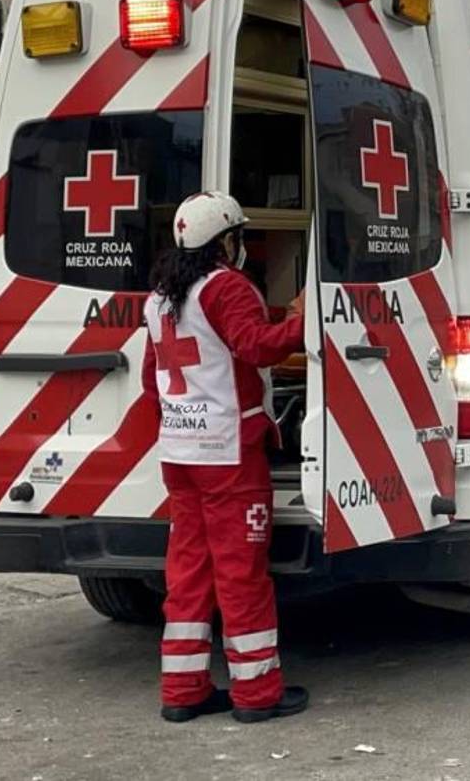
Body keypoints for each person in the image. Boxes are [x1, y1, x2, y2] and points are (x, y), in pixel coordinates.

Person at [143, 191, 308, 724]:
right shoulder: (227, 287)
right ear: (226, 241)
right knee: (241, 575)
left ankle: (183, 689)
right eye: (239, 236)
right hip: (229, 456)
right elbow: (258, 346)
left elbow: (153, 382)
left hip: (180, 454)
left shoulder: (161, 299)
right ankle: (257, 694)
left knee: (188, 571)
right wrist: (311, 318)